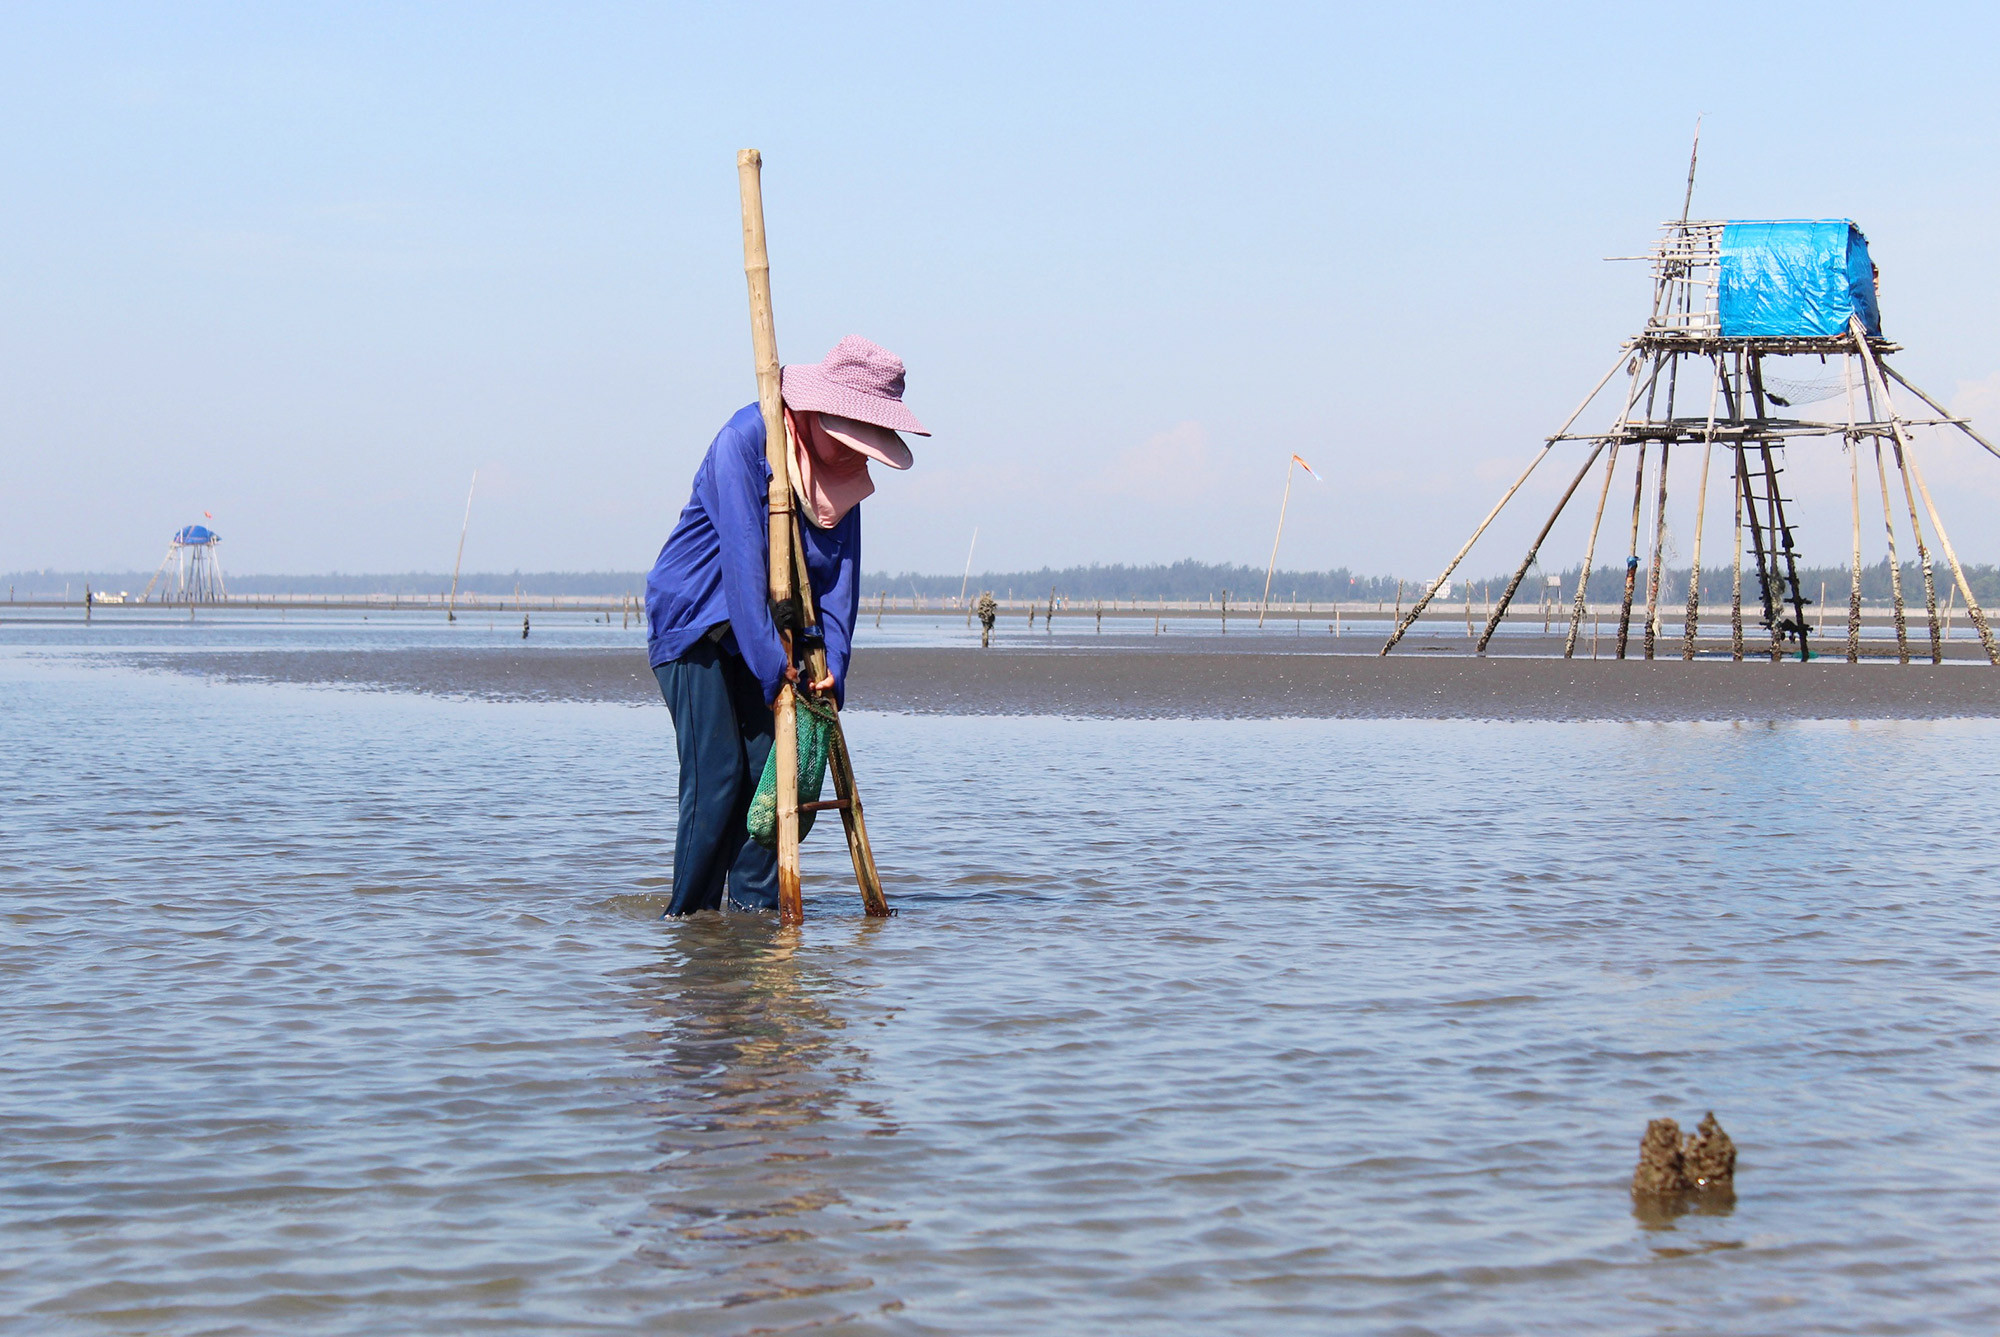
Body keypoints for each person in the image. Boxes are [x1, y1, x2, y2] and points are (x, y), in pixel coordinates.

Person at [644, 336, 928, 915]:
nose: (860, 455)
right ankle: (691, 923)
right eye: (853, 438)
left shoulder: (839, 479)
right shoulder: (747, 442)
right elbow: (744, 569)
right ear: (818, 411)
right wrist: (777, 674)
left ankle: (755, 919)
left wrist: (832, 667)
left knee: (770, 786)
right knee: (719, 777)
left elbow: (840, 580)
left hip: (772, 635)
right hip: (696, 622)